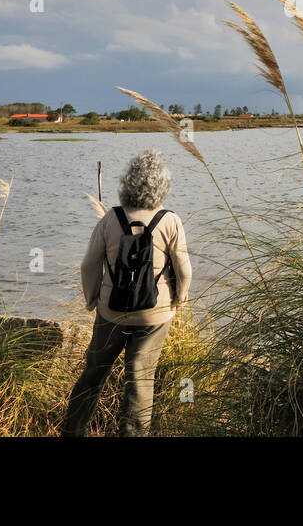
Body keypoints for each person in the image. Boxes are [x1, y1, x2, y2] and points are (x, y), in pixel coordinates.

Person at [62, 149, 192, 436]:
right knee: (140, 378)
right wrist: (179, 299)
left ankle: (73, 431)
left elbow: (88, 266)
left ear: (127, 183)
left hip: (112, 311)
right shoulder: (170, 220)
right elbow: (184, 268)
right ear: (162, 185)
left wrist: (92, 299)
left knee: (93, 374)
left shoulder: (111, 218)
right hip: (154, 315)